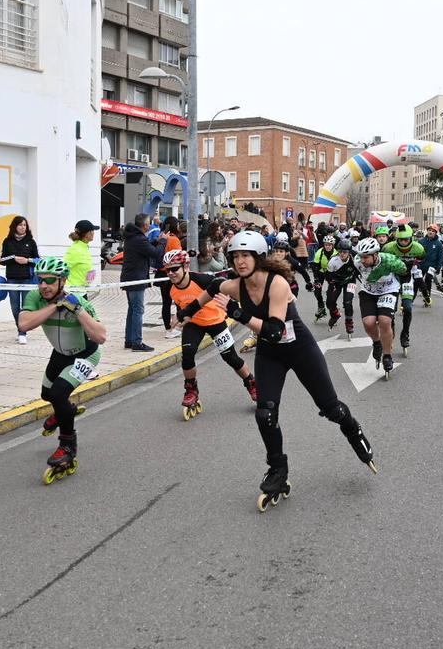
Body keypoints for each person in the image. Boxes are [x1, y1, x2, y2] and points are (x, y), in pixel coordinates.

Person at [174, 229, 376, 510]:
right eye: (235, 256)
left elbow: (273, 330)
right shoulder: (235, 284)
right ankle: (278, 470)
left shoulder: (277, 284)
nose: (240, 261)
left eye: (246, 255)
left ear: (258, 257)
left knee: (330, 408)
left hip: (299, 349)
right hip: (271, 356)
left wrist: (237, 313)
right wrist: (187, 311)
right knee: (265, 412)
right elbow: (211, 289)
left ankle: (353, 431)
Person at [17, 257, 107, 480]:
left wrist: (77, 311)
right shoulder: (35, 297)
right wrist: (54, 307)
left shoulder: (79, 302)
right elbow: (24, 324)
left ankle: (67, 446)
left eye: (49, 280)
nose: (43, 286)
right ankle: (64, 411)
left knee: (58, 394)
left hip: (85, 354)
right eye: (40, 280)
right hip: (60, 353)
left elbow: (101, 336)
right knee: (47, 395)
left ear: (63, 281)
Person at [167, 250, 258, 417]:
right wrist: (179, 319)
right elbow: (181, 307)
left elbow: (222, 285)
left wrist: (233, 304)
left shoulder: (201, 280)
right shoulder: (171, 288)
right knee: (187, 354)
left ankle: (251, 383)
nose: (170, 274)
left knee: (230, 358)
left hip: (215, 321)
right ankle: (191, 390)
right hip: (194, 324)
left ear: (185, 266)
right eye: (168, 270)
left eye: (174, 269)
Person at [355, 236, 407, 377]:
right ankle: (377, 342)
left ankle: (387, 355)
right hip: (368, 291)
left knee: (384, 321)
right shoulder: (357, 262)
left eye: (366, 257)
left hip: (388, 290)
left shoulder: (389, 261)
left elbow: (404, 271)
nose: (362, 260)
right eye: (361, 257)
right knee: (368, 322)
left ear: (375, 254)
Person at [121, 213, 160, 352]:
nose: (150, 225)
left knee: (132, 309)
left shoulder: (132, 237)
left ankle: (129, 340)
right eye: (149, 223)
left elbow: (146, 248)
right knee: (138, 310)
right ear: (145, 225)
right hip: (136, 279)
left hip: (129, 278)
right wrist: (162, 242)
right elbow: (155, 253)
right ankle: (137, 342)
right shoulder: (139, 239)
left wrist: (154, 242)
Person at [382, 225, 424, 353]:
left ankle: (405, 334)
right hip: (392, 279)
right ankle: (392, 330)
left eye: (406, 240)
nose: (404, 242)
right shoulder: (388, 248)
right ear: (396, 239)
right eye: (401, 240)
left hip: (406, 278)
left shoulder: (419, 248)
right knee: (391, 310)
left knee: (408, 308)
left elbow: (423, 260)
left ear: (411, 238)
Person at [0, 215, 40, 344]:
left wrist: (27, 260)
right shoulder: (7, 241)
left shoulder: (31, 242)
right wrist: (13, 258)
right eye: (20, 225)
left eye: (25, 225)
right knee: (15, 307)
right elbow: (0, 260)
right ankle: (20, 328)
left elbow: (39, 260)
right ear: (14, 226)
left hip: (27, 279)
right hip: (12, 279)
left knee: (26, 307)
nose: (23, 227)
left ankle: (23, 332)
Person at [325, 235, 358, 335]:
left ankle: (349, 322)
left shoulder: (355, 258)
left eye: (345, 252)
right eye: (340, 252)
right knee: (329, 302)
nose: (342, 254)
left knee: (347, 302)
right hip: (336, 282)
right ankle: (335, 315)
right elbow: (328, 276)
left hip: (350, 281)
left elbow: (362, 270)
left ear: (349, 252)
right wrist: (331, 286)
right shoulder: (333, 261)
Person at [158, 218, 184, 339]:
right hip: (173, 273)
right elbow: (179, 257)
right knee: (178, 301)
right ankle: (177, 326)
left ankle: (167, 328)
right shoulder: (174, 239)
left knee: (166, 302)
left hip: (162, 274)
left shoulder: (162, 237)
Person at [64, 219, 98, 297]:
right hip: (73, 294)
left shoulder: (84, 247)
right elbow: (63, 269)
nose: (94, 233)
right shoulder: (75, 249)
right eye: (93, 230)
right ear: (88, 233)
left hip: (82, 291)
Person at [419, 224, 443, 306]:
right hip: (421, 265)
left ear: (436, 233)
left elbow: (440, 256)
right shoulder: (421, 241)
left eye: (433, 231)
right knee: (418, 281)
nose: (431, 232)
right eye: (429, 230)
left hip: (432, 266)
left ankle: (428, 297)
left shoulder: (438, 244)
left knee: (428, 279)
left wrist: (438, 267)